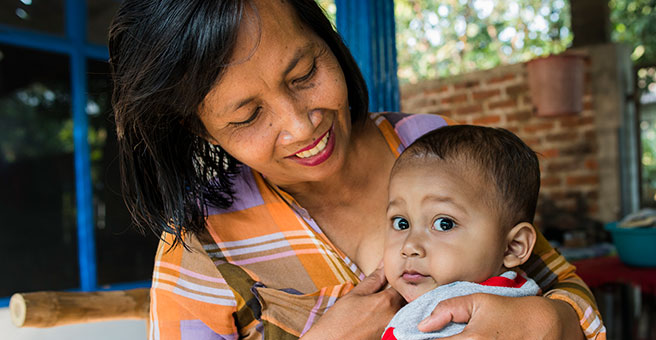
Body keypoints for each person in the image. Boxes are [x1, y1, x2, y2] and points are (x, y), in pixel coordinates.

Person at [108, 0, 606, 339]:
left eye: (304, 74)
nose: (301, 126)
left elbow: (572, 300)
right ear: (200, 130)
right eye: (248, 116)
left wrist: (548, 321)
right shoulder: (201, 245)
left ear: (327, 39)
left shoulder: (431, 148)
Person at [380, 125, 542, 340]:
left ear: (514, 246)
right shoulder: (516, 294)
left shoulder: (467, 322)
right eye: (401, 223)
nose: (410, 246)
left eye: (444, 224)